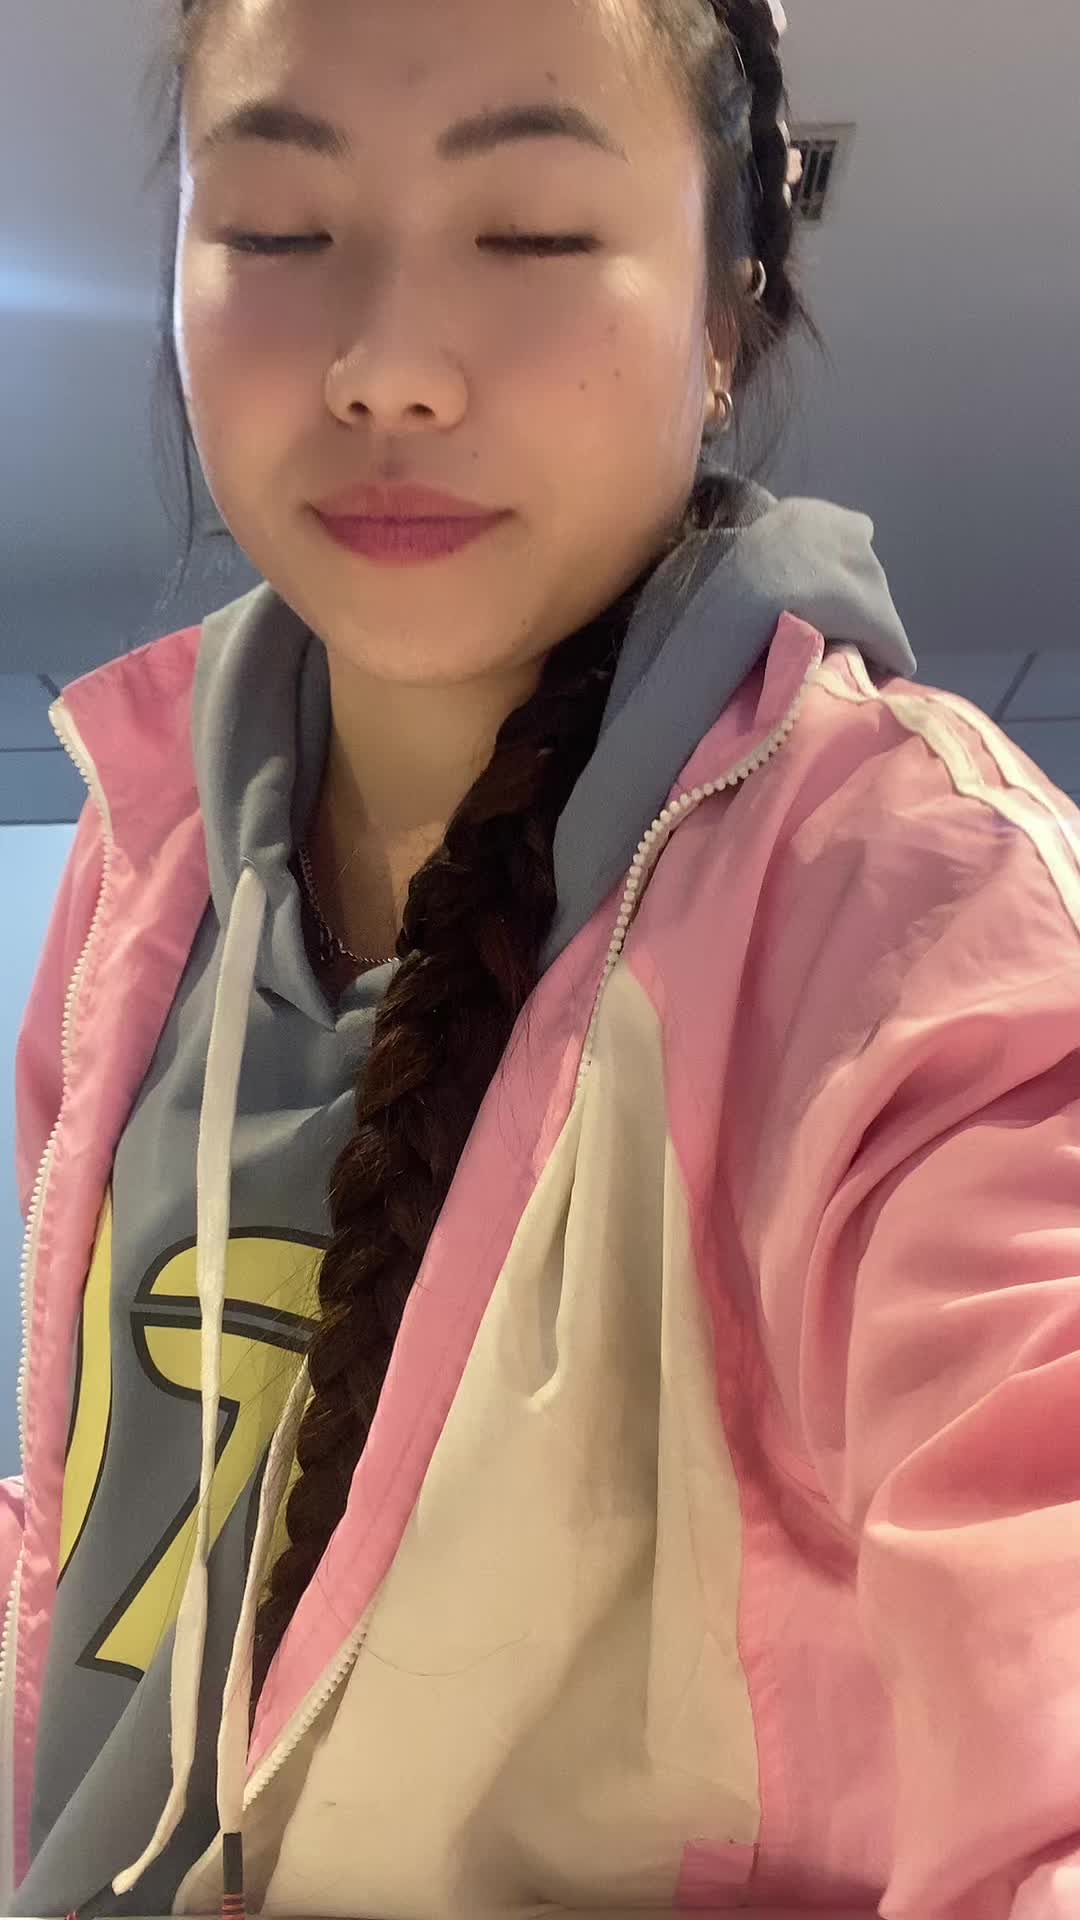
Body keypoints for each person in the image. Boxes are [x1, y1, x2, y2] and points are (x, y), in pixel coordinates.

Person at [3, 0, 1080, 1914]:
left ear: (727, 316)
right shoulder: (142, 859)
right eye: (274, 229)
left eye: (531, 235)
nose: (389, 370)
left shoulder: (918, 918)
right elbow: (96, 1539)